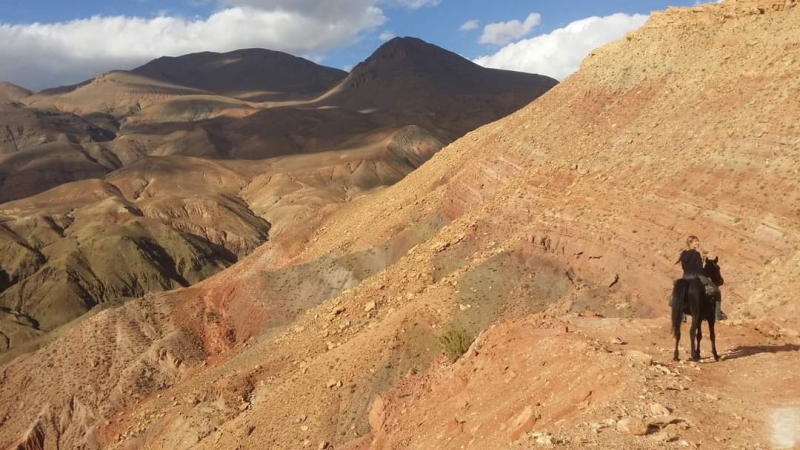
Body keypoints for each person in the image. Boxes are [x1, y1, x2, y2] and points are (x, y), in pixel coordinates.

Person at [675, 235, 726, 320]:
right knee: (717, 292)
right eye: (695, 241)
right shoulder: (696, 254)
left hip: (685, 277)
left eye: (698, 241)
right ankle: (718, 315)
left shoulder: (683, 254)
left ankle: (682, 314)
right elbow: (699, 270)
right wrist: (704, 269)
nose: (697, 243)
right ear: (690, 243)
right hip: (695, 277)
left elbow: (684, 267)